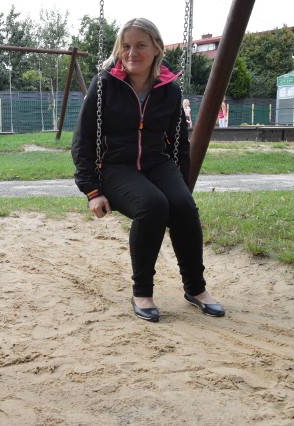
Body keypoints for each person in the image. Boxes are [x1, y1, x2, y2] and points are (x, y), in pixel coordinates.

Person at [71, 18, 225, 323]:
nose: (132, 53)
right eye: (126, 46)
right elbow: (83, 140)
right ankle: (142, 292)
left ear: (156, 48)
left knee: (182, 205)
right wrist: (92, 190)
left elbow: (180, 142)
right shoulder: (105, 85)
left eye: (140, 45)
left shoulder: (169, 88)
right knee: (152, 205)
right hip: (116, 167)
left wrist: (180, 182)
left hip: (157, 162)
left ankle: (196, 289)